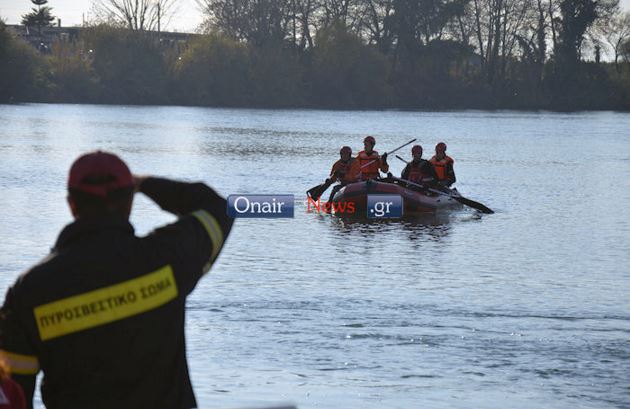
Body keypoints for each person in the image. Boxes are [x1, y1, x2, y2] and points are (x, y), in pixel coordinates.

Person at [0, 151, 233, 409]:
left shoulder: (29, 292)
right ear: (129, 203)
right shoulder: (167, 259)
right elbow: (218, 207)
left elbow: (12, 395)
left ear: (72, 204)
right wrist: (144, 183)